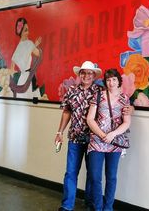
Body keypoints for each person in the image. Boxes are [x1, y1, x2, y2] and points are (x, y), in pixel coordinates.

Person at [55, 60, 102, 211]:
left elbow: (114, 106)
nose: (86, 75)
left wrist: (130, 109)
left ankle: (89, 204)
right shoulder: (72, 90)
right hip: (74, 138)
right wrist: (59, 132)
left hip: (93, 139)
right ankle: (67, 206)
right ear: (79, 74)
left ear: (94, 75)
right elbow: (67, 111)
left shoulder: (100, 92)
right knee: (70, 173)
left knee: (92, 174)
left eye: (89, 73)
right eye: (83, 72)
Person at [86, 68, 131, 211]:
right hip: (96, 141)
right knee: (94, 177)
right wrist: (101, 134)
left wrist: (112, 134)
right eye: (108, 80)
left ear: (119, 81)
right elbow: (90, 119)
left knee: (111, 177)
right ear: (105, 81)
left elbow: (126, 122)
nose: (111, 82)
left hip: (114, 142)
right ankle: (98, 208)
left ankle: (108, 208)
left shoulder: (124, 99)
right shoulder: (98, 96)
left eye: (114, 79)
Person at [10, 17, 42, 98]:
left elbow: (12, 65)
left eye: (28, 30)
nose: (28, 32)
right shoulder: (29, 43)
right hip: (28, 80)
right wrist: (36, 45)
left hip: (21, 80)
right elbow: (38, 54)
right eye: (25, 30)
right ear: (21, 32)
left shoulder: (19, 46)